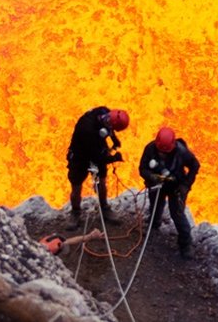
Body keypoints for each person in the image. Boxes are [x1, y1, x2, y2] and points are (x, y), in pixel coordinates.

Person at [139, 126, 200, 260]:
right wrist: (151, 177)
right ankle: (154, 226)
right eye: (161, 152)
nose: (163, 154)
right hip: (157, 184)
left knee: (177, 214)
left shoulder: (182, 152)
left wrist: (185, 185)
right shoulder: (150, 148)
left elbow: (195, 166)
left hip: (176, 186)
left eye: (166, 153)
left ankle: (185, 244)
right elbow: (142, 168)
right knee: (155, 205)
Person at [66, 106, 129, 229]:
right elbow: (98, 159)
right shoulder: (87, 129)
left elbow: (109, 130)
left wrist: (114, 139)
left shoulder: (104, 112)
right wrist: (114, 158)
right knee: (76, 187)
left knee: (101, 183)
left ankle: (104, 207)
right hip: (80, 158)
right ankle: (75, 213)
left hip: (97, 149)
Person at [38, 229, 104, 256]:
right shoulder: (55, 246)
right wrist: (90, 236)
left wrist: (90, 236)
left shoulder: (43, 242)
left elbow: (68, 241)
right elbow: (69, 242)